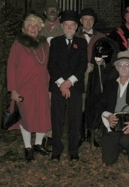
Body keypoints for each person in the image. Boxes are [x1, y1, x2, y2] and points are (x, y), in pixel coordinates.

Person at [7, 14, 51, 162]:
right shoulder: (18, 44)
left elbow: (48, 67)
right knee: (26, 117)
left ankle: (38, 144)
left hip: (42, 87)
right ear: (25, 29)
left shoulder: (45, 45)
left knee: (42, 116)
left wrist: (50, 87)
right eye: (30, 26)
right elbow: (11, 67)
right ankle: (28, 147)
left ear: (40, 29)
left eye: (36, 26)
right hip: (24, 87)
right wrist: (13, 89)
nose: (33, 28)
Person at [48, 10, 88, 162]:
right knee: (57, 119)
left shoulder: (82, 42)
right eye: (66, 25)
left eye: (72, 25)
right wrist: (61, 84)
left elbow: (82, 65)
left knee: (75, 119)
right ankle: (56, 150)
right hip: (58, 86)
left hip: (75, 86)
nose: (69, 28)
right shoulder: (55, 42)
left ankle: (73, 151)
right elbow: (52, 65)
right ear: (62, 26)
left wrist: (69, 82)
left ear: (77, 26)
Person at [75, 8, 105, 144]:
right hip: (79, 75)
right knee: (80, 104)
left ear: (94, 21)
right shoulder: (74, 36)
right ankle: (80, 133)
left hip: (95, 75)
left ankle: (91, 134)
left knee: (93, 102)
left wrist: (100, 61)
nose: (88, 22)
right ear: (81, 21)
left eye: (90, 19)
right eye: (85, 19)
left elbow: (107, 55)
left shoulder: (101, 37)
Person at [40, 0, 63, 151]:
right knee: (41, 103)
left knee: (54, 104)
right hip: (41, 72)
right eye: (50, 9)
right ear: (45, 12)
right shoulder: (38, 28)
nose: (52, 12)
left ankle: (52, 136)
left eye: (55, 9)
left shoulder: (64, 28)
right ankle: (41, 135)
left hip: (57, 71)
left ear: (58, 11)